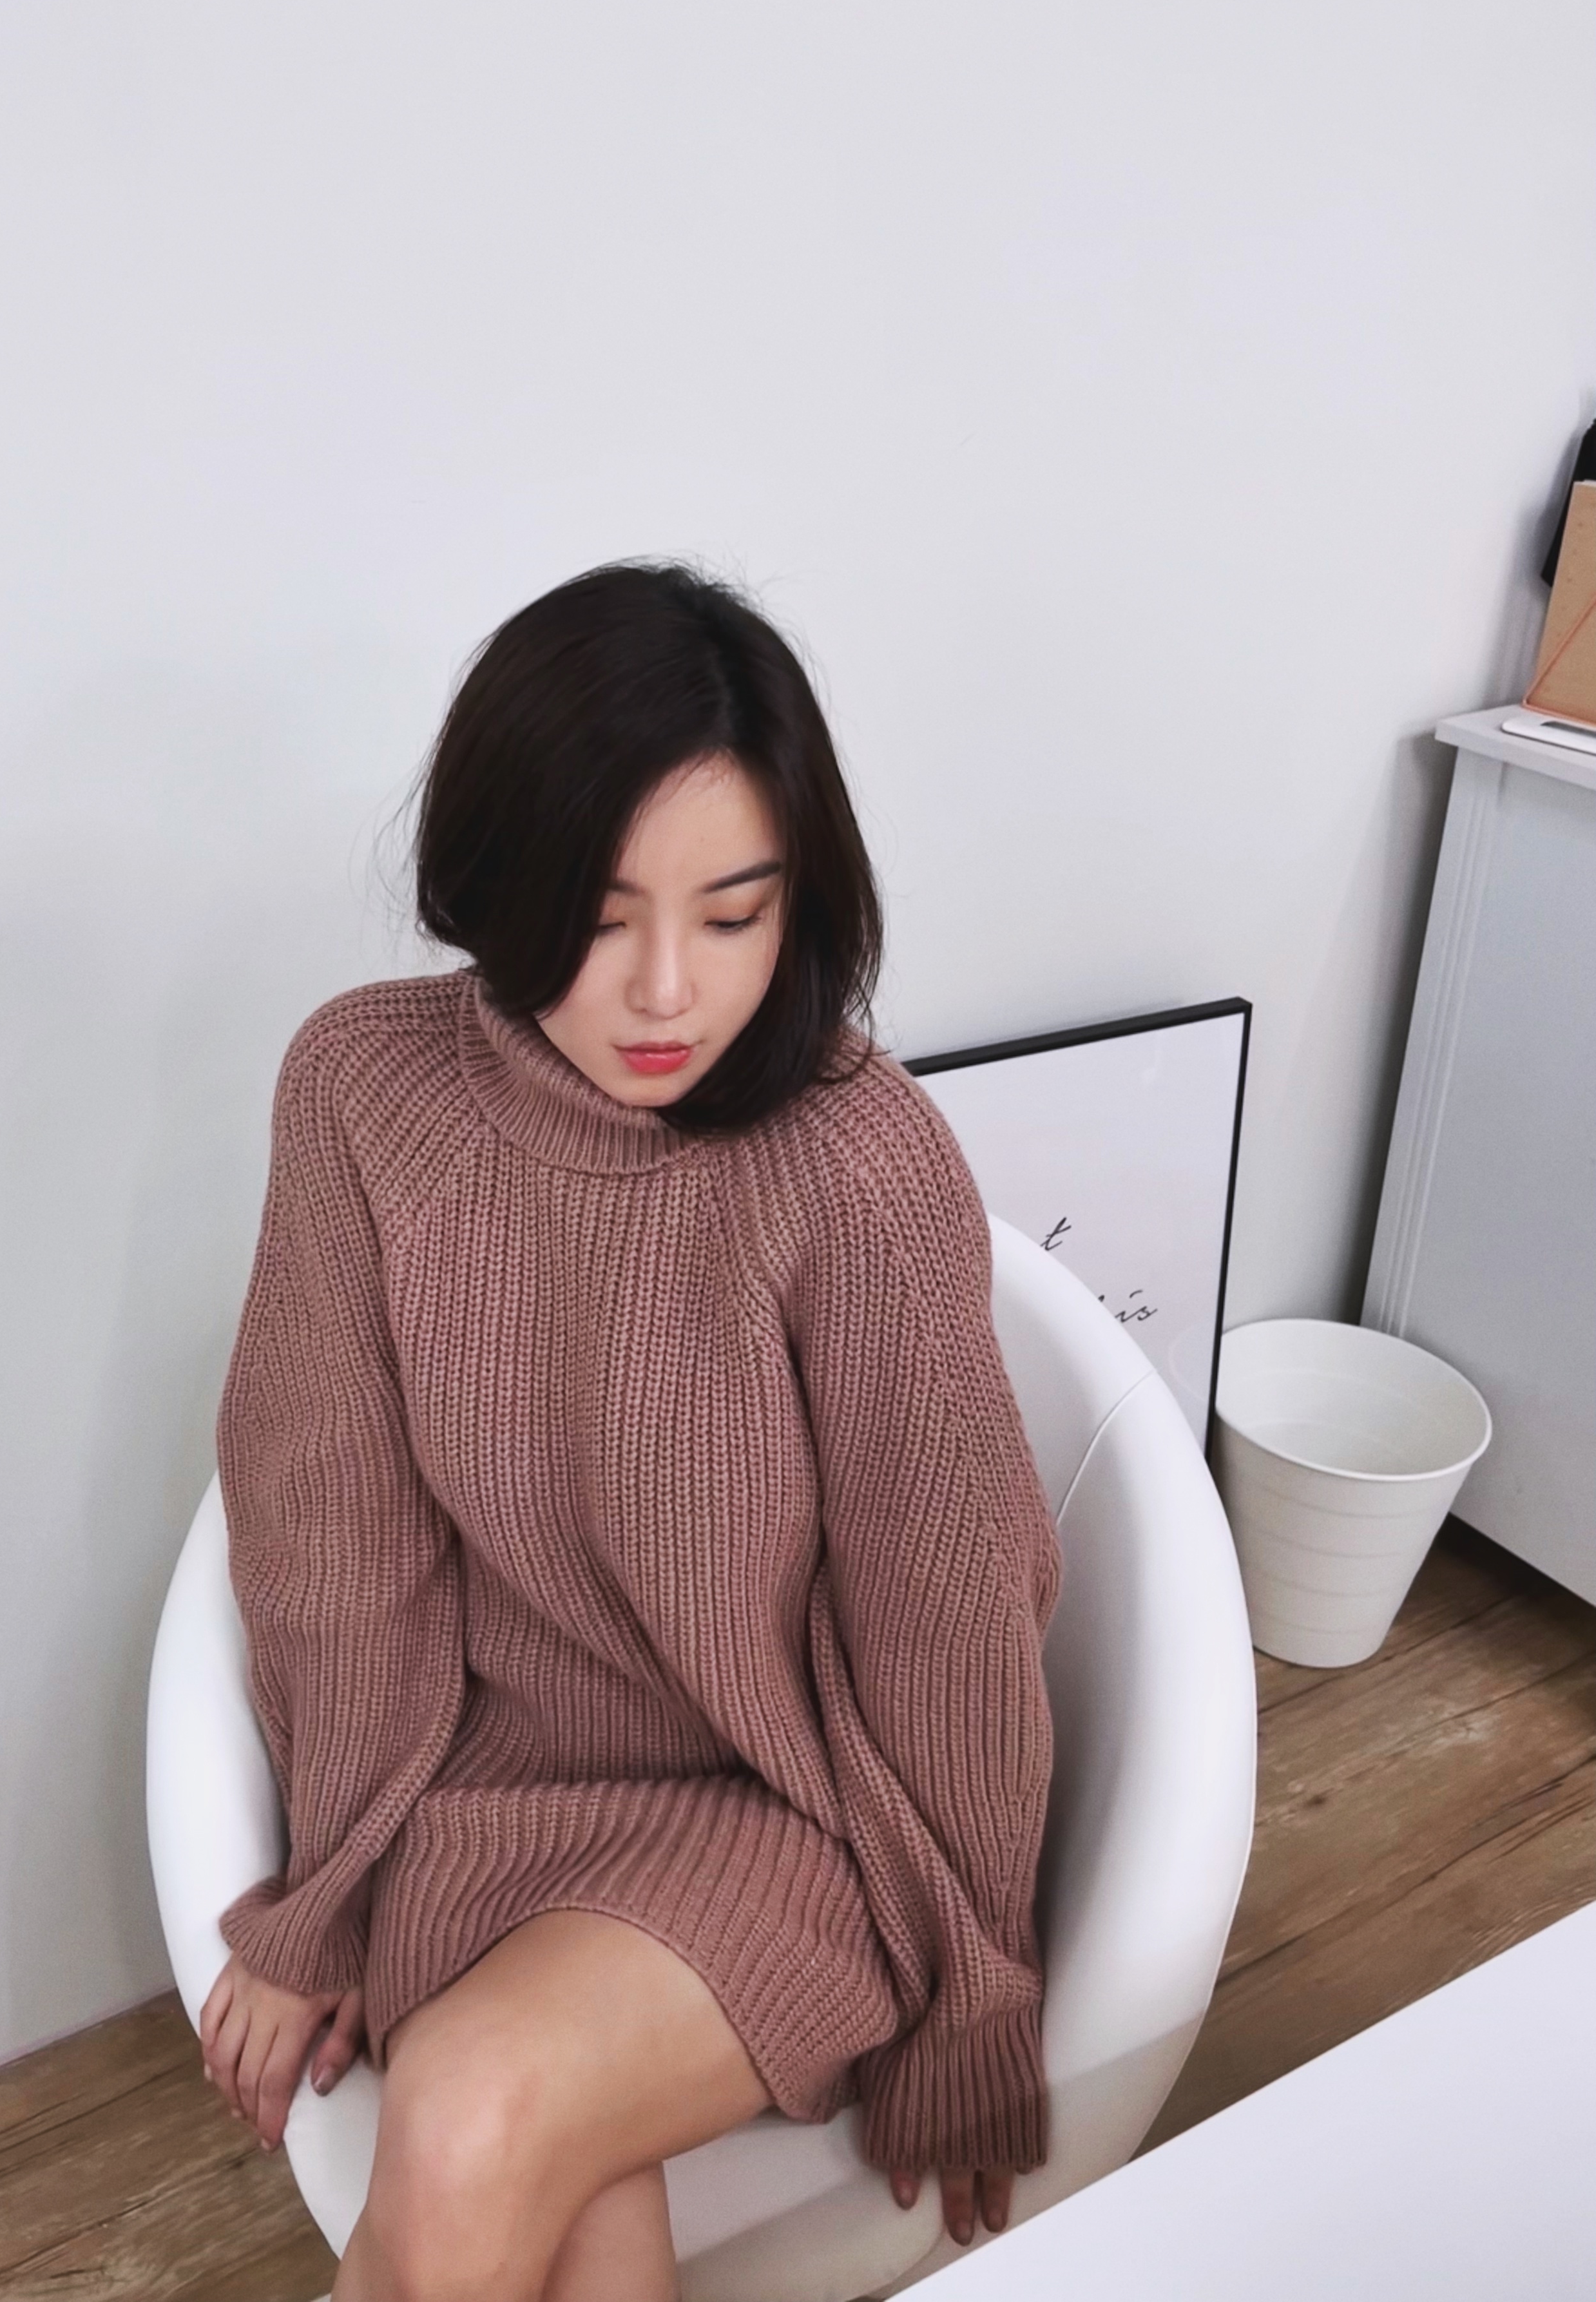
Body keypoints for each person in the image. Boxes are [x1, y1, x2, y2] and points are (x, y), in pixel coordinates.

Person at [197, 561, 1061, 2302]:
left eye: (735, 917)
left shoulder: (854, 1161)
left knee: (472, 2119)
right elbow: (331, 1541)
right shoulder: (363, 1093)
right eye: (602, 917)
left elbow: (948, 1608)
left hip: (792, 1813)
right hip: (478, 1804)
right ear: (499, 879)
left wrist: (976, 1989)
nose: (668, 991)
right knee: (544, 2198)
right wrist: (327, 1891)